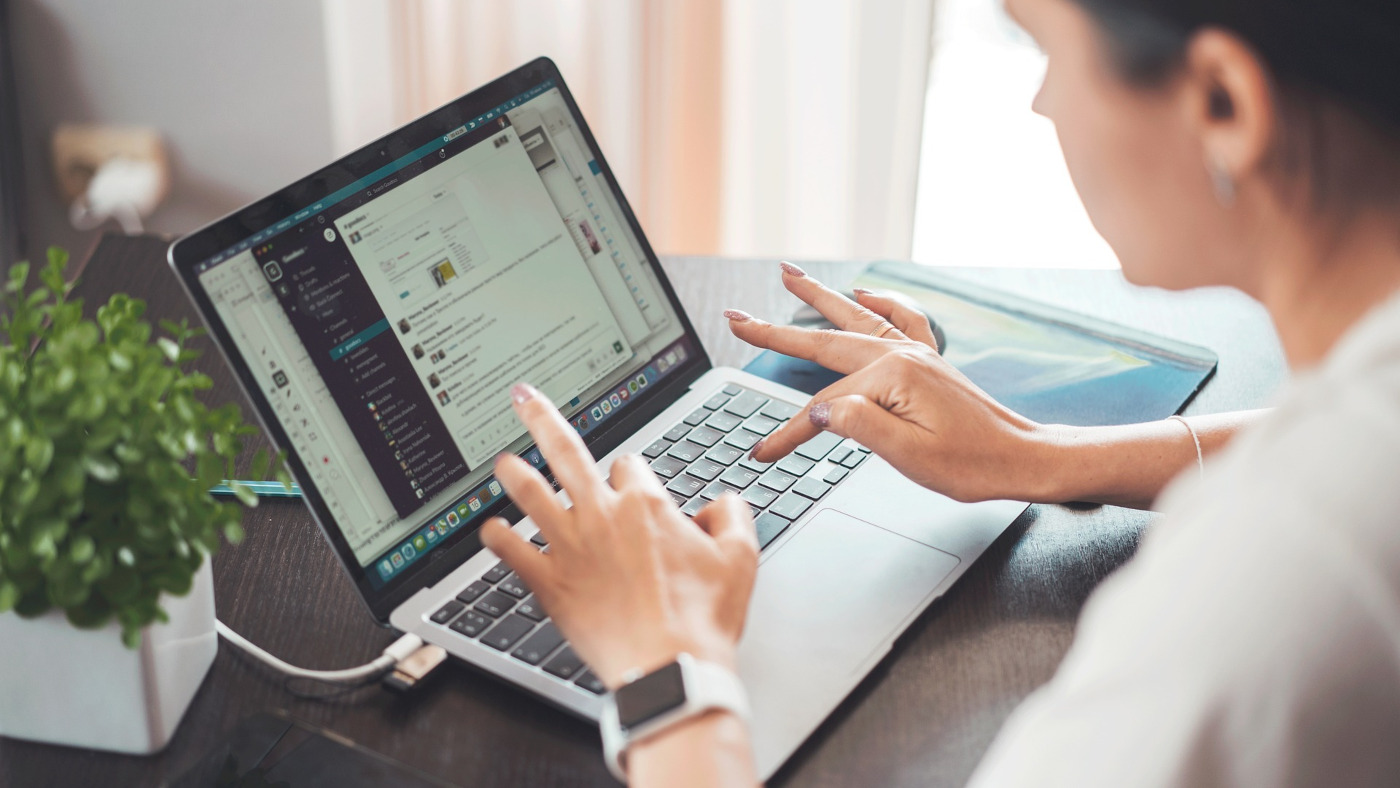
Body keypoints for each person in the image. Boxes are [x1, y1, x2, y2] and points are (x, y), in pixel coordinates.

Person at [480, 0, 1400, 783]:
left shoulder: (1268, 587)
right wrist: (1042, 453)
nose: (1041, 103)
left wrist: (665, 674)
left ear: (1224, 102)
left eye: (1048, 50)